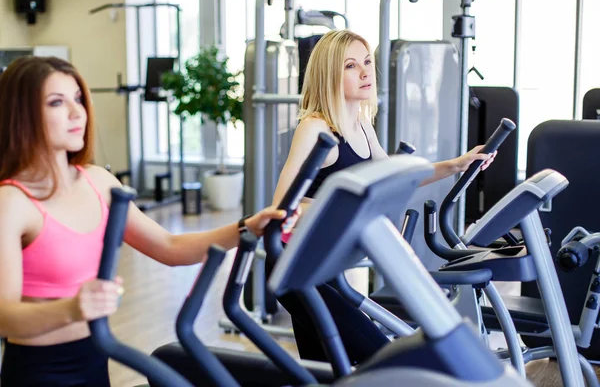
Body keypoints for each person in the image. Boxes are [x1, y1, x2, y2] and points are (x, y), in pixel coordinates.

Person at [0, 56, 292, 387]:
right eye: (57, 102)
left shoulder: (99, 183)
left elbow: (169, 246)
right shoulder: (11, 202)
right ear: (22, 115)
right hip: (38, 373)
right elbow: (5, 318)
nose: (76, 112)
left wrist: (246, 228)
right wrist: (71, 308)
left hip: (96, 360)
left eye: (78, 98)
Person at [269, 30, 497, 364]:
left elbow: (394, 177)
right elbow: (281, 207)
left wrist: (457, 164)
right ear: (329, 74)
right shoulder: (316, 128)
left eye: (366, 62)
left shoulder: (361, 125)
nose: (365, 73)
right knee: (377, 352)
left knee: (327, 367)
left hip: (326, 261)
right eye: (350, 65)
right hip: (295, 264)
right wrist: (347, 208)